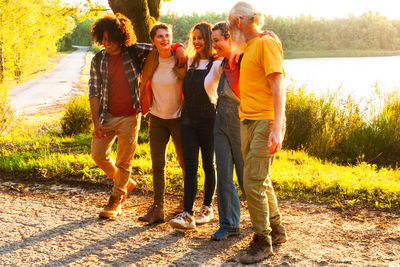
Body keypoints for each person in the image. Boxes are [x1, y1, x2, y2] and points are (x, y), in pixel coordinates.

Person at [89, 13, 185, 219]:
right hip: (106, 116)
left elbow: (163, 47)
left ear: (121, 36)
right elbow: (93, 91)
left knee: (124, 161)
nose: (106, 43)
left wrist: (179, 47)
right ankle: (126, 182)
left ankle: (116, 200)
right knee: (97, 154)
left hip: (131, 116)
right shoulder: (98, 59)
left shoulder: (135, 51)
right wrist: (96, 121)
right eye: (103, 39)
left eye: (110, 38)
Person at [228, 2, 287, 264]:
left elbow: (278, 85)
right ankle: (276, 229)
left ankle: (263, 241)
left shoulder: (265, 44)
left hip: (265, 121)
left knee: (252, 181)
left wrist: (277, 127)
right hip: (249, 120)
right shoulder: (250, 46)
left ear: (239, 21)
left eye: (230, 23)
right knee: (260, 179)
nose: (229, 28)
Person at [169, 22, 223, 230]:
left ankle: (207, 208)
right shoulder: (189, 62)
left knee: (209, 164)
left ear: (209, 39)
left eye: (201, 37)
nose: (197, 41)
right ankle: (188, 214)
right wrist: (178, 47)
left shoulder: (218, 64)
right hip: (187, 120)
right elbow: (171, 48)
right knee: (190, 167)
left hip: (209, 119)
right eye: (194, 38)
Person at [138, 23, 186, 224]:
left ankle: (187, 205)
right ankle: (158, 208)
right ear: (153, 41)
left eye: (168, 36)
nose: (165, 39)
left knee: (185, 163)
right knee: (158, 164)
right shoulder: (150, 59)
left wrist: (179, 46)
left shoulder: (181, 58)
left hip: (179, 119)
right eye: (160, 36)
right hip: (157, 118)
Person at [209, 21, 245, 240]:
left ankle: (267, 223)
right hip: (220, 122)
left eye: (217, 41)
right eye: (213, 41)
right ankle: (229, 224)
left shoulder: (245, 61)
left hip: (241, 125)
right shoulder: (222, 64)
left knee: (246, 177)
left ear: (230, 38)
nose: (214, 46)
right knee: (223, 174)